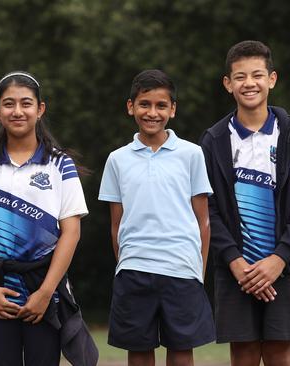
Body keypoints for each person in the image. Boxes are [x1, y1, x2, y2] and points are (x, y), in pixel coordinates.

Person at [0, 71, 98, 366]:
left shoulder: (60, 164)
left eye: (26, 103)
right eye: (8, 104)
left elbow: (71, 232)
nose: (17, 111)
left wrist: (45, 293)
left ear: (40, 109)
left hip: (45, 293)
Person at [199, 40, 290, 366]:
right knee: (244, 353)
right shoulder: (213, 140)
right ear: (228, 84)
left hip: (284, 267)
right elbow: (208, 209)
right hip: (235, 269)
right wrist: (236, 262)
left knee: (279, 352)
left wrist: (279, 259)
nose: (249, 83)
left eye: (257, 75)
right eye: (239, 77)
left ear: (272, 79)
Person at [98, 69, 215, 366]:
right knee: (138, 351)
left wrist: (197, 273)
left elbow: (203, 221)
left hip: (182, 270)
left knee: (181, 350)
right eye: (144, 104)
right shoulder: (117, 159)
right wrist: (127, 261)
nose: (152, 112)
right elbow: (116, 225)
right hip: (134, 270)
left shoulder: (192, 154)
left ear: (172, 110)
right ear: (130, 107)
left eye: (161, 105)